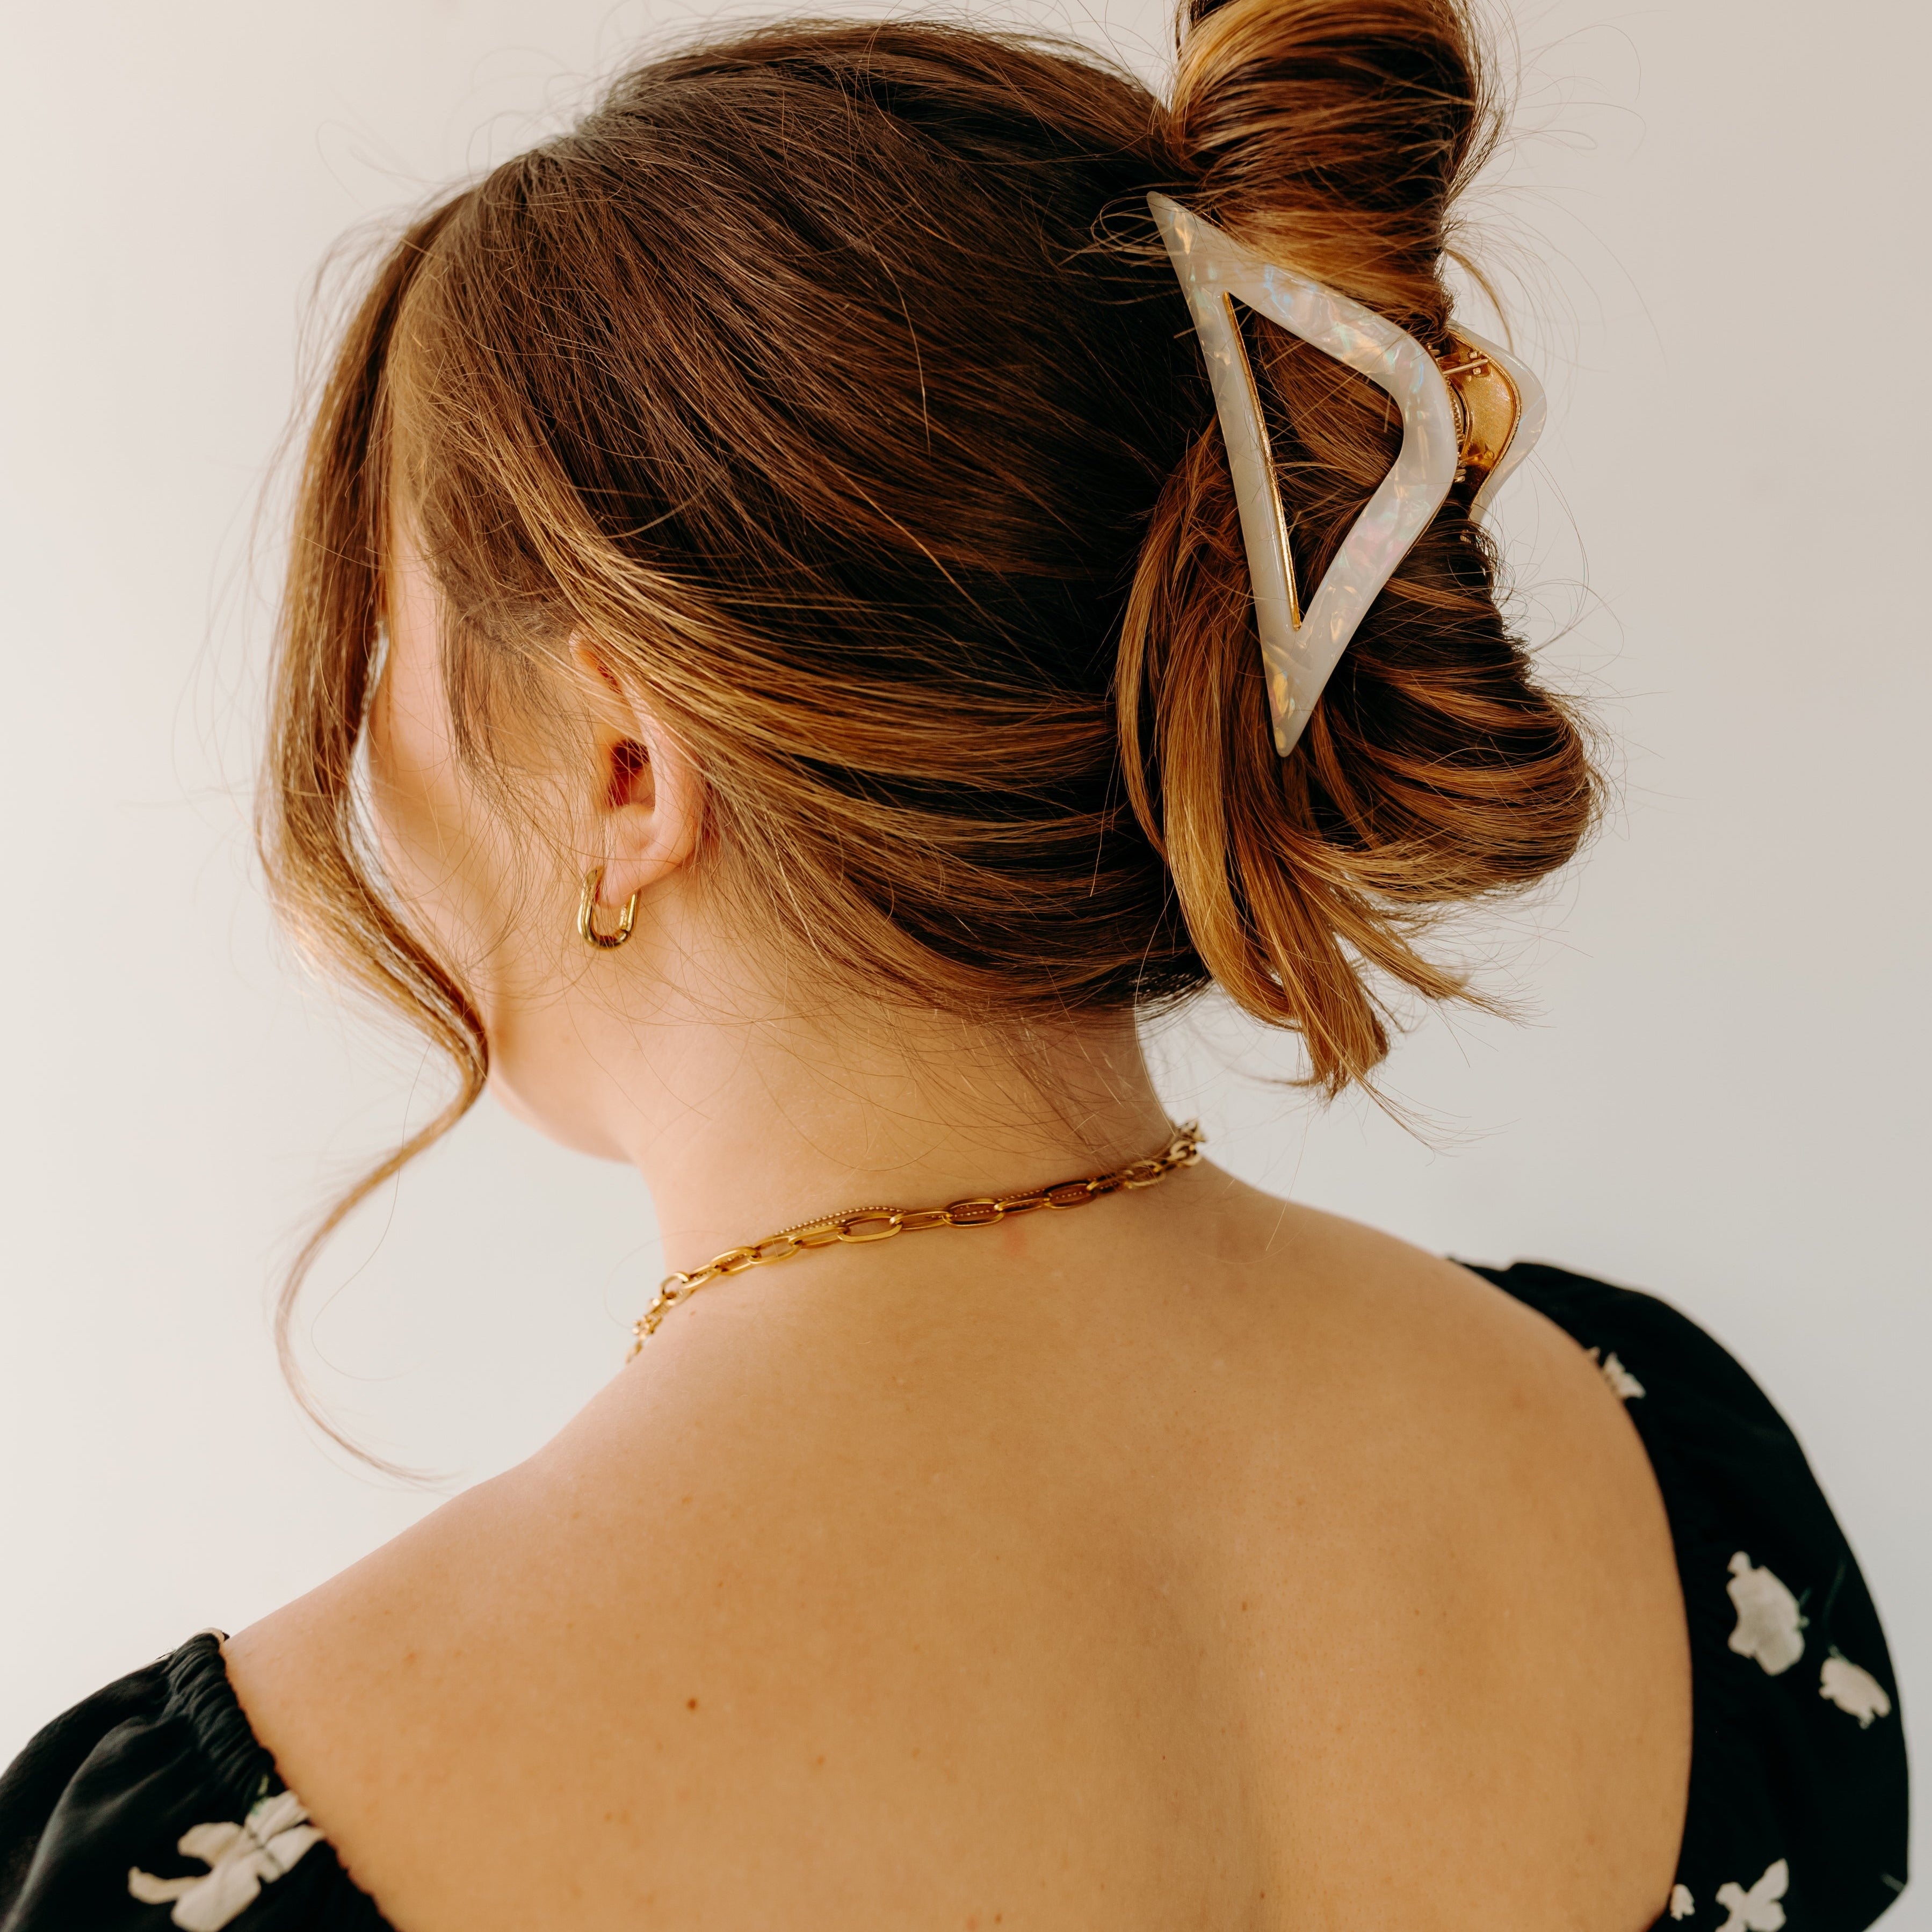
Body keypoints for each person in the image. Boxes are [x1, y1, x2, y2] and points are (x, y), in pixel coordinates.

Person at [0, 1, 1907, 1927]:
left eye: (387, 658)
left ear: (624, 765)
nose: (368, 763)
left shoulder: (225, 1850)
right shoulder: (1677, 1487)